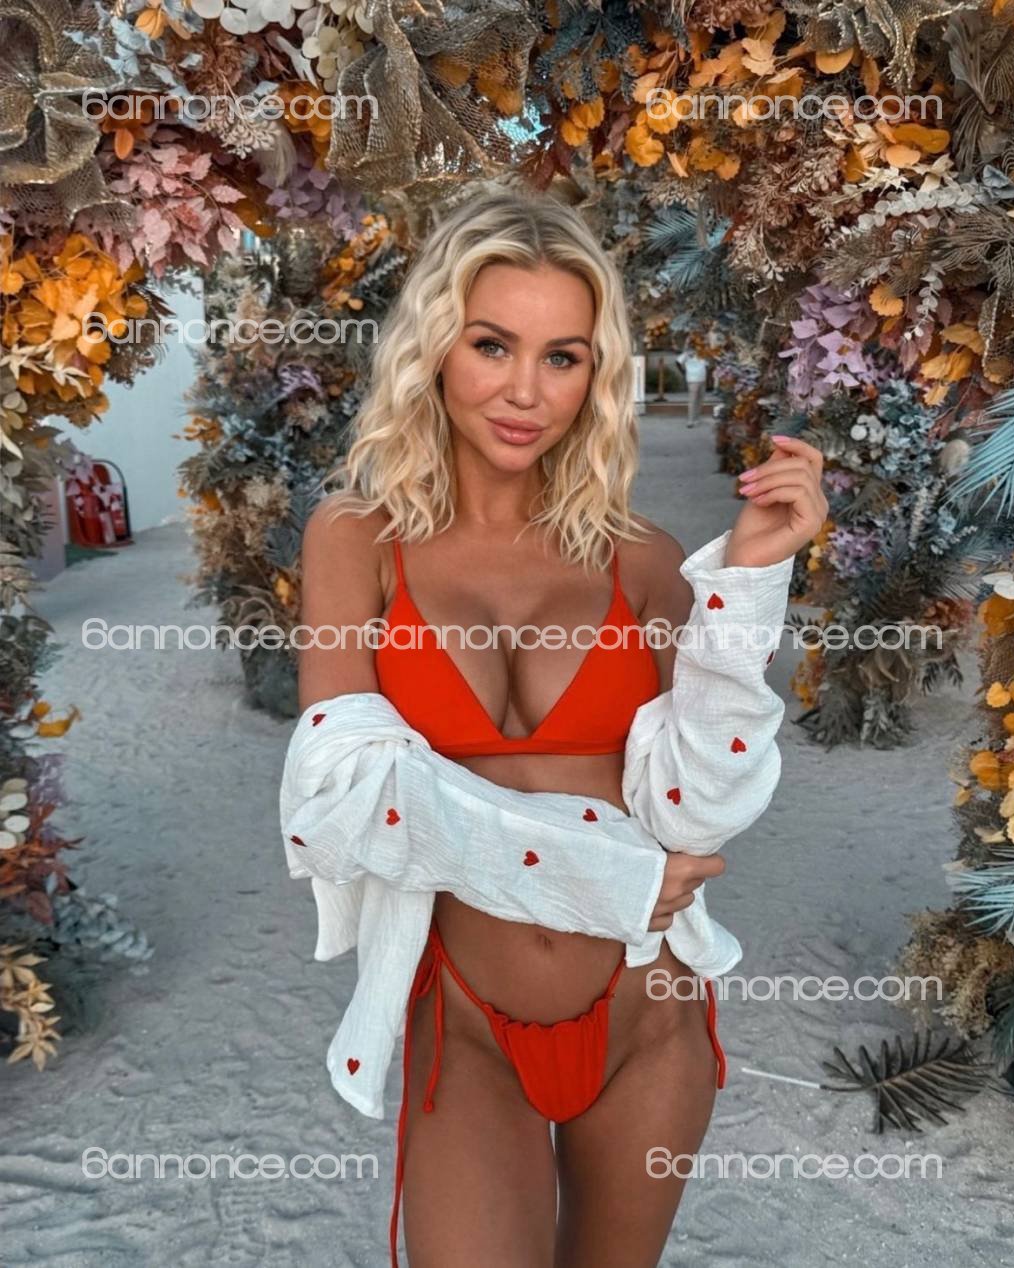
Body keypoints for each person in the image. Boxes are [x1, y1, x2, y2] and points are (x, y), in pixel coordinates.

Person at [294, 187, 827, 1266]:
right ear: (435, 347)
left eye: (563, 357)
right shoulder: (357, 538)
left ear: (598, 373)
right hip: (467, 1026)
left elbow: (697, 806)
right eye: (492, 344)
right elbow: (342, 796)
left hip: (647, 1018)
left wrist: (749, 585)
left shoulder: (643, 558)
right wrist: (599, 873)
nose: (525, 392)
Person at [675, 349, 708, 426]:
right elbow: (677, 362)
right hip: (692, 379)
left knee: (700, 400)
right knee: (692, 400)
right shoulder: (687, 353)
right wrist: (683, 371)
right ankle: (690, 420)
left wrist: (707, 376)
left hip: (702, 379)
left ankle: (697, 418)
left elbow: (706, 365)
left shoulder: (703, 353)